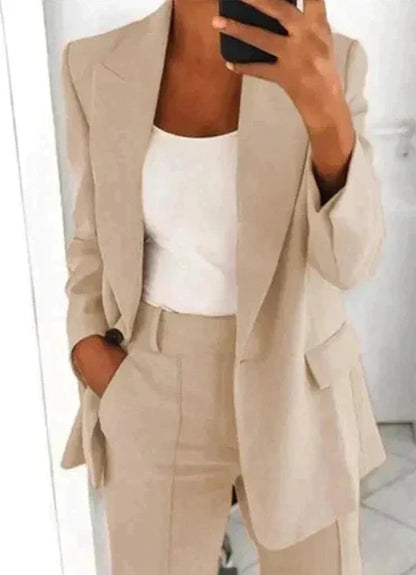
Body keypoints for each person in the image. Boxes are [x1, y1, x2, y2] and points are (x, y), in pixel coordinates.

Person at [59, 0, 387, 573]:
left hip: (297, 381)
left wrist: (325, 117)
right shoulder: (95, 65)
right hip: (155, 382)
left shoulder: (332, 63)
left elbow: (351, 264)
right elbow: (92, 238)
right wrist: (90, 350)